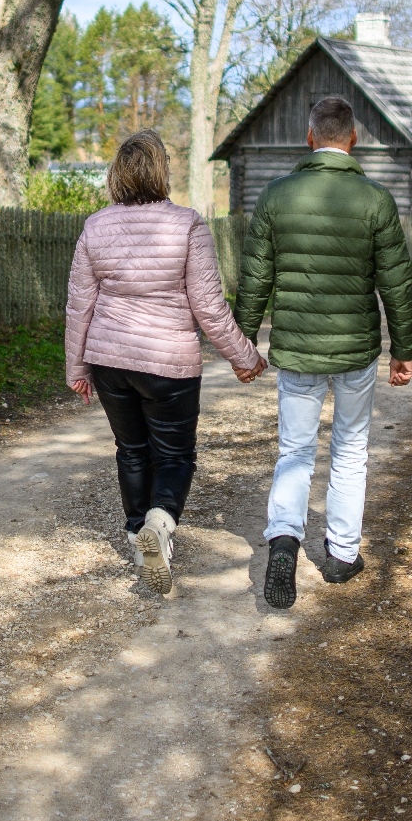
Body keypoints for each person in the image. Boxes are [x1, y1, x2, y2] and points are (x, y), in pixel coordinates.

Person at [233, 95, 412, 609]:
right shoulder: (376, 200)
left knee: (294, 450)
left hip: (296, 351)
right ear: (352, 139)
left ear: (310, 137)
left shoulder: (275, 196)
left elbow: (255, 280)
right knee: (350, 450)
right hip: (356, 349)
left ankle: (285, 540)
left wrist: (243, 343)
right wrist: (403, 349)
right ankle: (340, 553)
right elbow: (396, 285)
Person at [65, 129, 265, 595]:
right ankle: (161, 520)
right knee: (174, 454)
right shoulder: (188, 224)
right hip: (168, 363)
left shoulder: (95, 226)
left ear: (118, 175)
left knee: (131, 450)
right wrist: (244, 357)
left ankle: (139, 538)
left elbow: (79, 305)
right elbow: (208, 306)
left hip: (110, 361)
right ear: (162, 173)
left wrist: (76, 367)